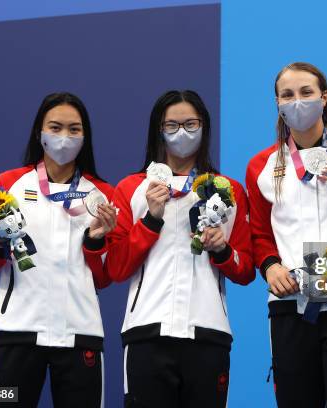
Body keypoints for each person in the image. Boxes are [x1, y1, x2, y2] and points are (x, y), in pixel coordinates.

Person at [106, 90, 254, 408]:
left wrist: (222, 250)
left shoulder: (228, 189)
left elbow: (245, 270)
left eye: (190, 123)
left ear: (204, 127)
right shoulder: (131, 188)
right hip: (146, 332)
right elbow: (116, 268)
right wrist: (151, 220)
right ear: (158, 130)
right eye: (171, 125)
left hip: (208, 331)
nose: (181, 133)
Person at [246, 62, 327, 408]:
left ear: (324, 97)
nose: (297, 101)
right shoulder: (262, 165)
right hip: (290, 304)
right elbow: (260, 234)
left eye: (306, 92)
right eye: (287, 95)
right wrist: (271, 266)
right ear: (277, 102)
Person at [0, 92, 117, 407]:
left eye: (74, 129)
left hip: (79, 334)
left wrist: (95, 242)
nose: (64, 137)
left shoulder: (101, 194)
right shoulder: (8, 185)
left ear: (85, 136)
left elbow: (106, 277)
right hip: (18, 332)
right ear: (39, 132)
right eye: (56, 127)